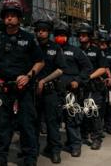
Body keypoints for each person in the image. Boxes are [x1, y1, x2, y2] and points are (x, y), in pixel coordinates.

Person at [0, 0, 45, 166]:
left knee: (26, 124)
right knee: (2, 124)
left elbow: (40, 62)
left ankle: (29, 157)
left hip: (24, 88)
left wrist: (28, 76)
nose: (10, 19)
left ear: (19, 18)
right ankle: (0, 157)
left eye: (13, 16)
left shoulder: (28, 38)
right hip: (4, 88)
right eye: (7, 16)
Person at [54, 21, 92, 157]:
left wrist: (78, 80)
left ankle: (75, 145)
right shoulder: (50, 50)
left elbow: (88, 68)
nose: (59, 37)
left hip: (71, 92)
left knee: (72, 119)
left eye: (62, 35)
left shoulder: (76, 51)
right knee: (54, 120)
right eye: (57, 34)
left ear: (68, 36)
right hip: (54, 91)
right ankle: (53, 146)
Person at [34, 18, 66, 163]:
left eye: (44, 30)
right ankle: (31, 150)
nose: (40, 33)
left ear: (49, 32)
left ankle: (55, 150)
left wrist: (44, 81)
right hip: (32, 91)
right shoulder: (31, 47)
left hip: (50, 91)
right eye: (38, 30)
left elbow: (60, 69)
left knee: (51, 122)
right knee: (32, 122)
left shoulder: (55, 48)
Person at [76, 23, 107, 150]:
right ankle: (82, 136)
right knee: (79, 113)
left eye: (84, 35)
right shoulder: (76, 51)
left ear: (89, 36)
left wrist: (88, 77)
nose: (81, 38)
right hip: (79, 87)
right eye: (79, 35)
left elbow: (103, 69)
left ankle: (96, 138)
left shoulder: (97, 51)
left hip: (93, 87)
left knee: (94, 113)